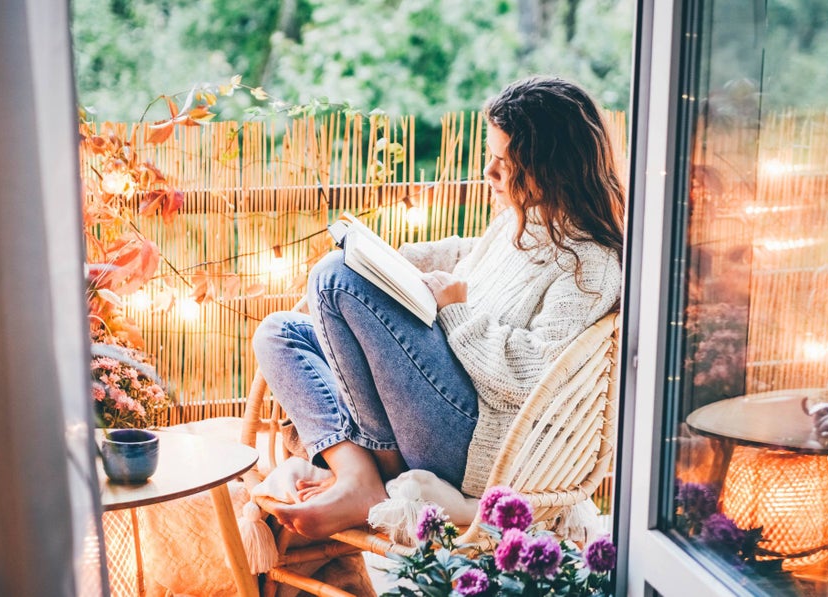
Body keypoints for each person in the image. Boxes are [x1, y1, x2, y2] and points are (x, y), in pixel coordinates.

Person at [252, 76, 625, 539]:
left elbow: (535, 375)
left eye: (504, 164)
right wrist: (390, 262)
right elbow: (464, 256)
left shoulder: (590, 263)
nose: (489, 173)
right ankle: (358, 476)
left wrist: (455, 312)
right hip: (439, 402)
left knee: (333, 276)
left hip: (477, 440)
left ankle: (363, 473)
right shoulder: (523, 220)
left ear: (552, 169)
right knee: (280, 331)